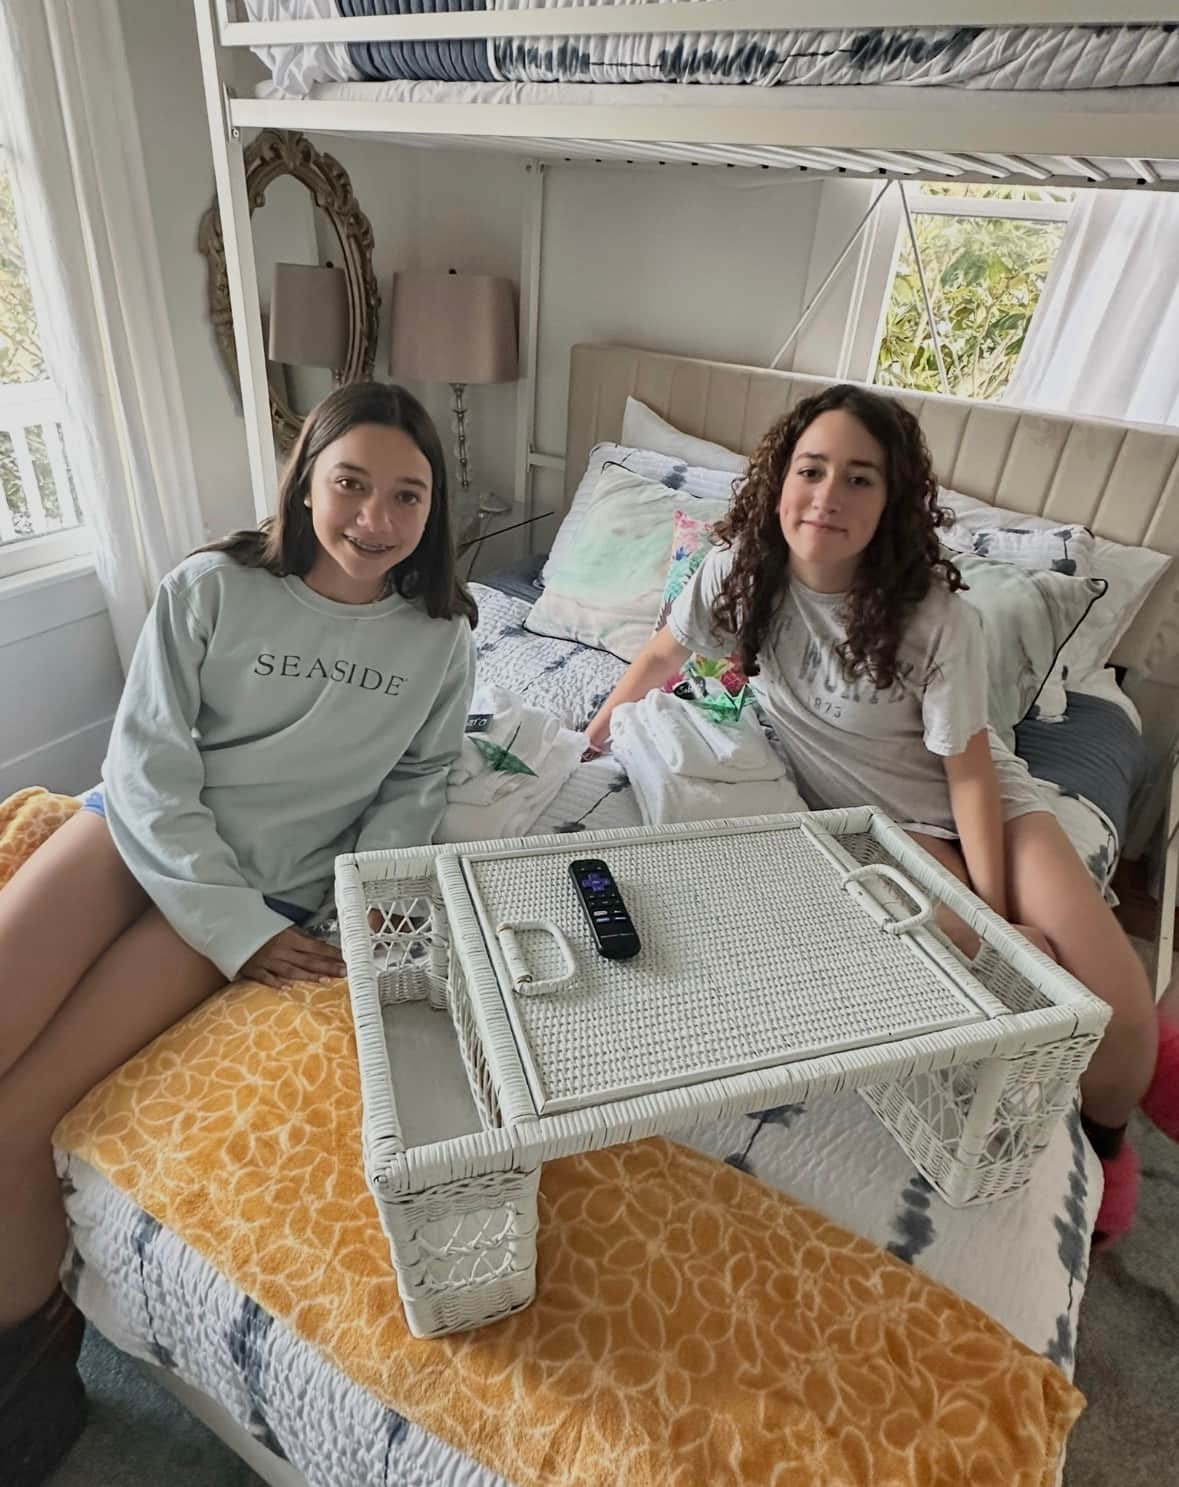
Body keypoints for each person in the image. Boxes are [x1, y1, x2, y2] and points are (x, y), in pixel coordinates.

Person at [0, 381, 477, 1484]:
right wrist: (224, 914)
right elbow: (147, 762)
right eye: (351, 481)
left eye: (407, 494)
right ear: (306, 478)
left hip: (256, 888)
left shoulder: (439, 641)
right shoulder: (208, 587)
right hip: (134, 835)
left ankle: (30, 1388)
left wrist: (344, 916)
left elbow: (417, 785)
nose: (375, 515)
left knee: (20, 1122)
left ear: (433, 510)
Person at [587, 384, 1177, 1245]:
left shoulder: (931, 616)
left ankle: (1112, 1139)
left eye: (858, 479)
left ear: (890, 500)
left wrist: (995, 906)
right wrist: (595, 736)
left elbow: (970, 772)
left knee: (1117, 1015)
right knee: (1024, 988)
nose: (827, 496)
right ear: (778, 479)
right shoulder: (737, 573)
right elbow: (662, 652)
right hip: (880, 827)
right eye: (811, 469)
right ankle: (1094, 1106)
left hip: (981, 806)